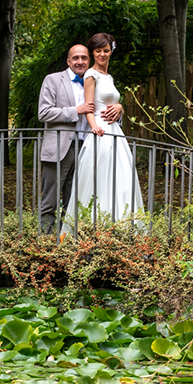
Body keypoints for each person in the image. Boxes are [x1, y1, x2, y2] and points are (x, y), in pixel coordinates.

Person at [62, 33, 144, 235]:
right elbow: (89, 107)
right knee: (99, 180)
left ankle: (120, 229)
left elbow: (112, 103)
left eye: (106, 50)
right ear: (93, 52)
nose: (102, 54)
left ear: (111, 51)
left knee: (121, 179)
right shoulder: (91, 75)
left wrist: (120, 107)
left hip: (116, 132)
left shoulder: (109, 77)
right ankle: (92, 231)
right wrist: (93, 126)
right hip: (101, 132)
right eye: (98, 51)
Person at [37, 43, 124, 235]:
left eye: (84, 57)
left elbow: (106, 108)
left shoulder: (97, 80)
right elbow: (43, 113)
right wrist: (76, 111)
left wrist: (120, 109)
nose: (80, 61)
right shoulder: (53, 80)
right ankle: (44, 244)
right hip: (60, 148)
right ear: (68, 61)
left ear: (89, 59)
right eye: (75, 58)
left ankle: (70, 243)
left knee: (76, 201)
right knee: (50, 200)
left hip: (88, 148)